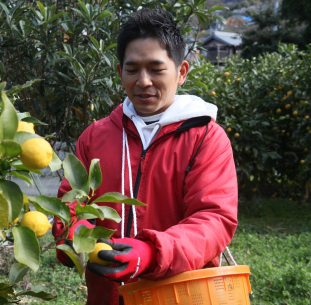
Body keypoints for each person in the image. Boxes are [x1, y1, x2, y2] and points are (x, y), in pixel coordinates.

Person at [52, 8, 238, 305]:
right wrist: (78, 234)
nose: (143, 81)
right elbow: (69, 206)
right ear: (119, 72)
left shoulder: (205, 138)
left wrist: (152, 251)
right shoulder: (95, 136)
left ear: (181, 72)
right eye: (133, 68)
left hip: (178, 295)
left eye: (156, 68)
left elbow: (214, 219)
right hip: (107, 296)